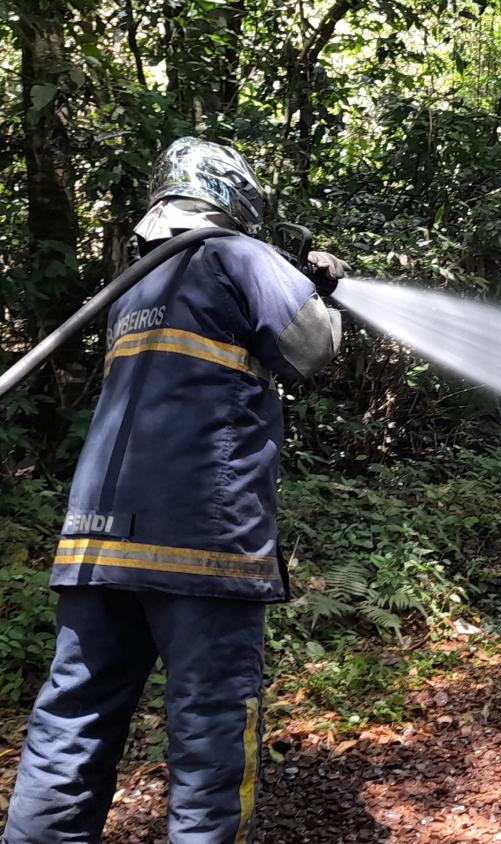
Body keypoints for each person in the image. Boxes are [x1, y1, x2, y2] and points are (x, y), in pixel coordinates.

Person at [3, 138, 347, 844]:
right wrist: (321, 287)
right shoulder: (239, 255)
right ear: (235, 198)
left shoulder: (130, 286)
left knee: (70, 727)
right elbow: (315, 348)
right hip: (202, 545)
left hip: (97, 547)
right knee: (211, 738)